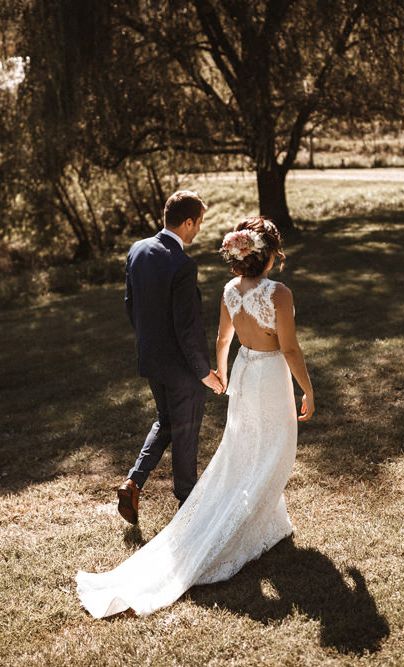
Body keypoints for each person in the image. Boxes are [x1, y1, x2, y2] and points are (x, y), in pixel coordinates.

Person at [76, 216, 315, 618]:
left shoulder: (229, 291)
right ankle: (244, 525)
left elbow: (223, 338)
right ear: (269, 255)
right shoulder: (279, 293)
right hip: (271, 374)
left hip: (243, 370)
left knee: (245, 447)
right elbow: (290, 349)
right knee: (275, 448)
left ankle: (272, 521)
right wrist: (307, 389)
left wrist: (221, 374)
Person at [118, 190, 224, 525]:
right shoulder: (182, 264)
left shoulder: (138, 250)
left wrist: (149, 342)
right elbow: (188, 327)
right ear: (188, 221)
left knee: (166, 421)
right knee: (185, 432)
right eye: (199, 224)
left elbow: (130, 305)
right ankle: (188, 510)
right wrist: (203, 371)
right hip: (181, 368)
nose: (198, 231)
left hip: (151, 360)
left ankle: (133, 482)